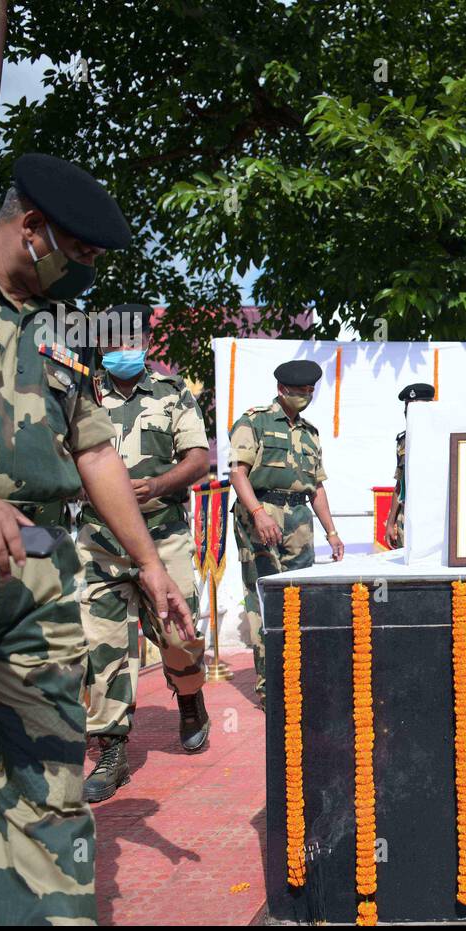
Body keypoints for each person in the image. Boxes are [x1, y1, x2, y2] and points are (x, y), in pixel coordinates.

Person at [0, 153, 194, 926]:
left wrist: (152, 568)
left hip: (37, 577)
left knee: (49, 774)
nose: (85, 272)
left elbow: (94, 451)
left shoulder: (55, 337)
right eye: (80, 254)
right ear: (31, 229)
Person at [77, 304, 212, 804]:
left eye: (130, 340)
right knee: (104, 646)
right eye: (112, 343)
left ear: (145, 344)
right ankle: (112, 751)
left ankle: (191, 699)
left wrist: (156, 484)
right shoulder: (82, 393)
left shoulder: (172, 392)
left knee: (179, 634)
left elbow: (197, 458)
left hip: (163, 535)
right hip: (100, 543)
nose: (122, 350)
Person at [230, 360, 344, 706]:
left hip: (299, 519)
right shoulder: (255, 421)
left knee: (300, 600)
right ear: (282, 390)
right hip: (261, 514)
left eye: (310, 392)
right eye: (299, 392)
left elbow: (317, 488)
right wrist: (258, 513)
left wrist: (332, 532)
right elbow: (238, 473)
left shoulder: (310, 432)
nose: (306, 397)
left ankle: (299, 679)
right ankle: (270, 686)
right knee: (266, 599)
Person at [384, 381, 434, 549]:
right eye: (408, 408)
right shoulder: (403, 441)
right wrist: (391, 522)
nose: (409, 413)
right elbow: (400, 483)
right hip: (407, 514)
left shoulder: (442, 437)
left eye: (416, 408)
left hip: (434, 513)